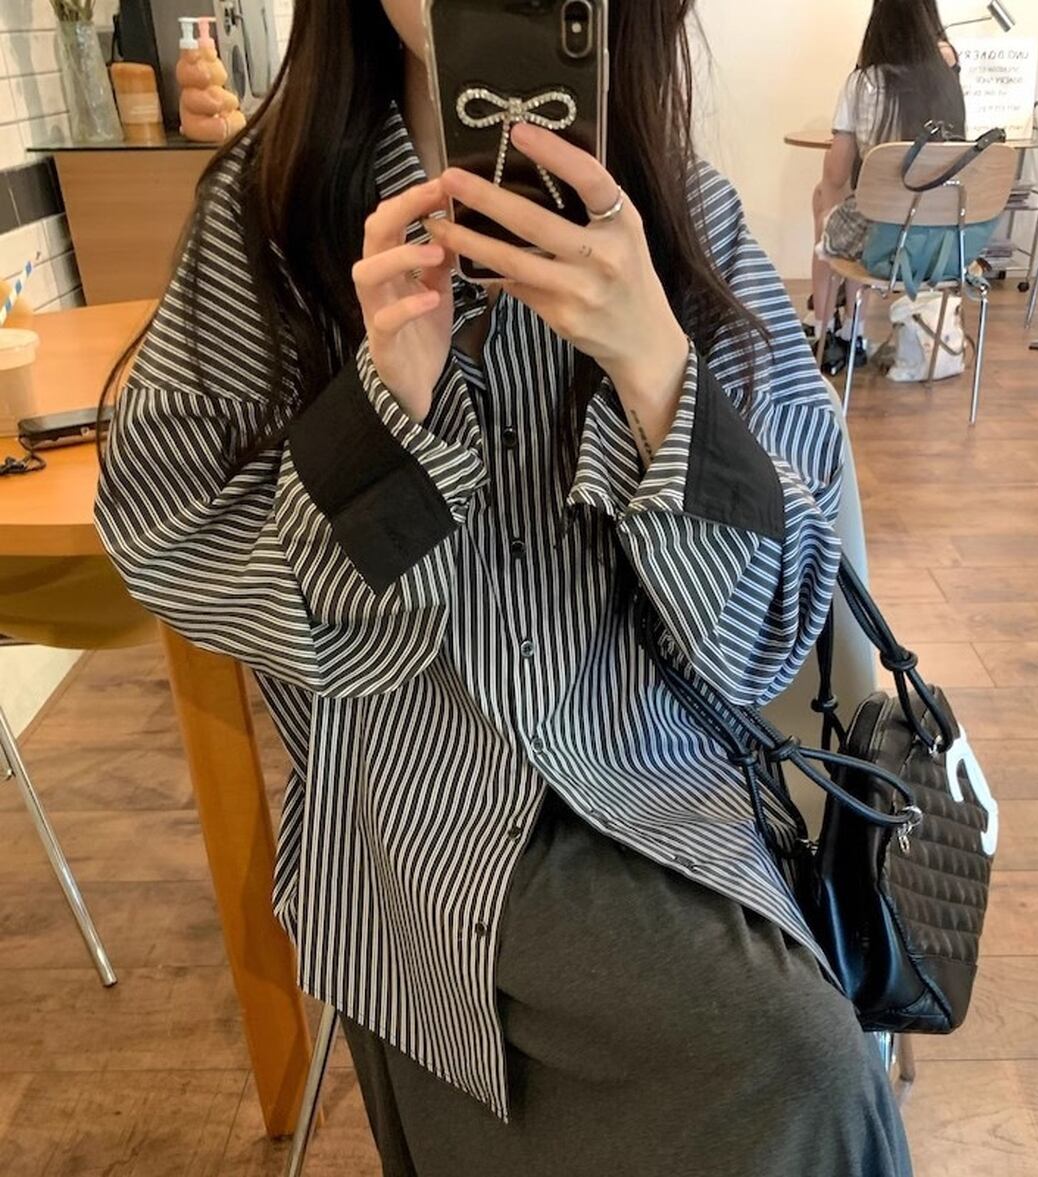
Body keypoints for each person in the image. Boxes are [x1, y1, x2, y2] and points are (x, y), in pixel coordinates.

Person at [94, 0, 912, 1173]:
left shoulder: (683, 213)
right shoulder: (270, 214)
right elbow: (167, 530)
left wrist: (655, 368)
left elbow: (768, 629)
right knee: (790, 1071)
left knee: (797, 1073)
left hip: (665, 779)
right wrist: (380, 417)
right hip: (414, 818)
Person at [810, 0, 967, 367]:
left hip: (883, 244)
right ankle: (851, 329)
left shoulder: (863, 83)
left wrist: (828, 217)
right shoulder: (948, 77)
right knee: (861, 210)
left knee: (829, 206)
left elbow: (835, 175)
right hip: (945, 247)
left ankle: (830, 330)